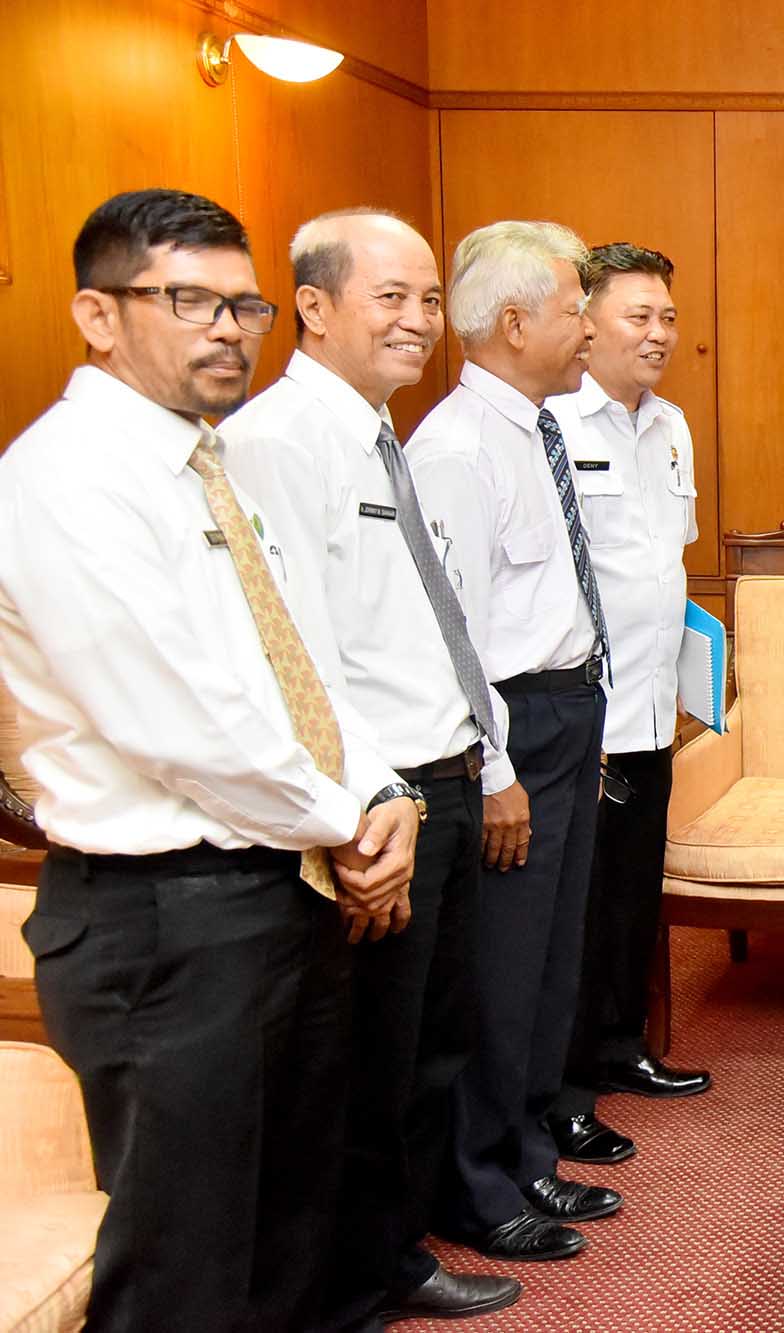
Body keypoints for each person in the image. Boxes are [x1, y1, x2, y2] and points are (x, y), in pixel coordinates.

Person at [0, 188, 420, 1331]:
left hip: (280, 889)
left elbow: (307, 659)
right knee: (186, 1266)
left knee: (295, 1228)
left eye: (246, 305)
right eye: (190, 300)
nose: (230, 328)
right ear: (97, 314)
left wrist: (384, 792)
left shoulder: (217, 467)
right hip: (162, 922)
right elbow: (178, 720)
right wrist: (345, 821)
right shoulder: (64, 476)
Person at [223, 208, 523, 1329]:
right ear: (312, 305)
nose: (417, 320)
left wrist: (477, 758)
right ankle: (351, 1285)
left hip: (434, 777)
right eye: (390, 296)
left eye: (430, 298)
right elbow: (295, 650)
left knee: (423, 1048)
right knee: (358, 1063)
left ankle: (392, 1253)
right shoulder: (277, 441)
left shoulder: (373, 430)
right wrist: (363, 809)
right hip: (370, 802)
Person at [408, 220, 619, 1262]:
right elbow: (449, 632)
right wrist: (492, 769)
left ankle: (529, 1148)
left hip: (567, 713)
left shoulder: (534, 425)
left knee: (548, 957)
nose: (589, 325)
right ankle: (479, 1184)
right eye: (578, 306)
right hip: (508, 728)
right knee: (497, 966)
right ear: (512, 321)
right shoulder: (452, 448)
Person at [546, 242, 712, 1166]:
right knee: (572, 915)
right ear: (587, 321)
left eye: (668, 318)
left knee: (627, 902)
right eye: (638, 317)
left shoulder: (673, 425)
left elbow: (664, 567)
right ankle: (564, 1090)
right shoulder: (556, 428)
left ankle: (618, 1047)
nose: (659, 335)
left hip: (651, 713)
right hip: (583, 718)